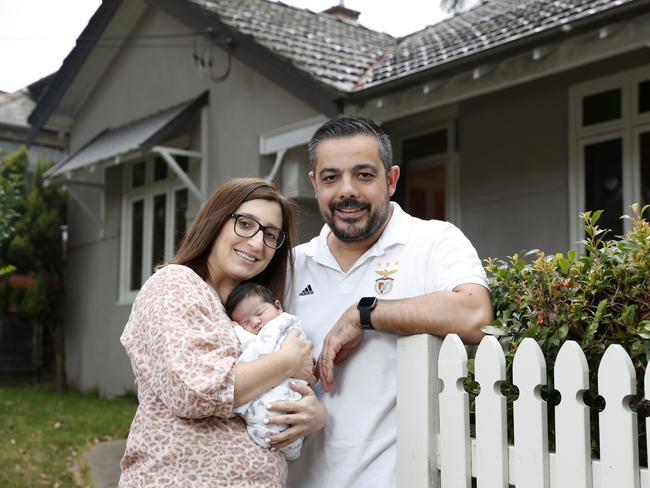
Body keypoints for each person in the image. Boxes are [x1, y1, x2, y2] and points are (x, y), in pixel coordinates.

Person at [283, 116, 494, 488]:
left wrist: (366, 313)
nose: (347, 191)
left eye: (364, 175)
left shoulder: (433, 241)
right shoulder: (291, 265)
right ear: (315, 185)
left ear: (392, 180)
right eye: (331, 178)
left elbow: (476, 314)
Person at [119, 178, 326, 487]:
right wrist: (286, 361)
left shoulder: (255, 314)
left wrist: (313, 416)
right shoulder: (175, 285)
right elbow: (195, 392)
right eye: (245, 224)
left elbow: (291, 381)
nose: (257, 243)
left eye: (270, 234)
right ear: (216, 221)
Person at [226, 282, 308, 461]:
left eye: (260, 313)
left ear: (278, 307)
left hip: (292, 402)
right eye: (245, 322)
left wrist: (240, 330)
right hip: (263, 428)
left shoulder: (285, 325)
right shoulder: (256, 336)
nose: (255, 323)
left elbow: (261, 350)